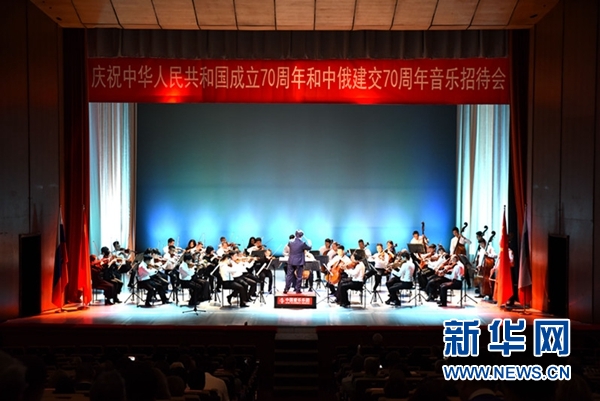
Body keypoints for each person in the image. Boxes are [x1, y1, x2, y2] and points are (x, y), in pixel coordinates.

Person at [283, 230, 312, 294]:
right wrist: (309, 242)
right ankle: (297, 289)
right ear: (301, 235)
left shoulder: (290, 242)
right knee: (299, 276)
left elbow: (291, 246)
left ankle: (286, 289)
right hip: (299, 262)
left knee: (289, 276)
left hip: (291, 261)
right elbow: (309, 248)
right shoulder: (302, 243)